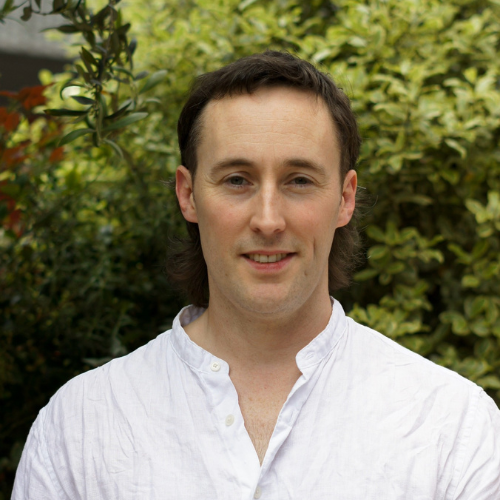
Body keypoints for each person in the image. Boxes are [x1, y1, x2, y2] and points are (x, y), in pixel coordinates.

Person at [12, 51, 500, 500]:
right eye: (237, 180)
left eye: (299, 180)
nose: (268, 220)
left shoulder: (452, 428)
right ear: (188, 195)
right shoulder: (79, 427)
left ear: (345, 199)